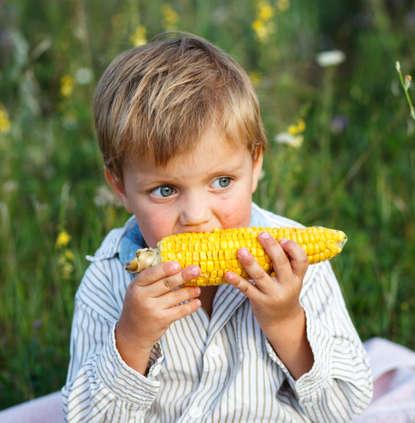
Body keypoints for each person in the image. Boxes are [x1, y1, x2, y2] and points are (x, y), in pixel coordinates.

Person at [60, 32, 373, 422]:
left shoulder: (298, 266)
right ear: (120, 187)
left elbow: (347, 408)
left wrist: (287, 324)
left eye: (222, 182)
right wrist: (132, 340)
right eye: (165, 189)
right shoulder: (106, 281)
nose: (196, 215)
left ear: (256, 165)